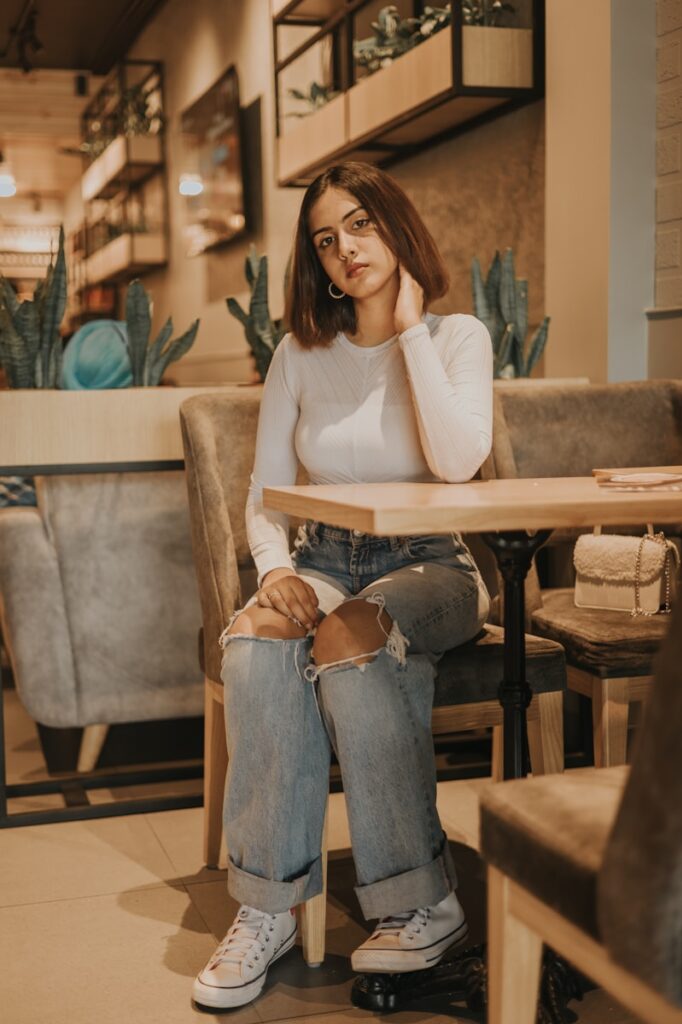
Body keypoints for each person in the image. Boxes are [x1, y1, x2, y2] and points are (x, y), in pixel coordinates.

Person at [192, 161, 493, 1010]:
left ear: (395, 225)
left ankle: (421, 903)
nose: (345, 250)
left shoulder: (457, 338)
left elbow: (457, 461)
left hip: (432, 561)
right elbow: (264, 496)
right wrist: (276, 571)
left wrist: (406, 332)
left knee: (354, 639)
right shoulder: (299, 353)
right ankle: (267, 908)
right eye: (326, 239)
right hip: (323, 558)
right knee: (254, 644)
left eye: (360, 225)